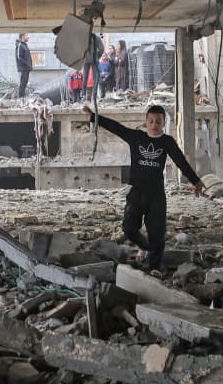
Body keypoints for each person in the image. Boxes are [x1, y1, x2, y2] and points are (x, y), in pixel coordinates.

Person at [83, 103, 204, 273]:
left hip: (156, 194)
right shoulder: (136, 137)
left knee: (157, 233)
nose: (155, 125)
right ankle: (147, 247)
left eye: (158, 122)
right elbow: (116, 128)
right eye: (152, 121)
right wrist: (94, 117)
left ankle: (154, 267)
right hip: (137, 192)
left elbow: (180, 161)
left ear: (163, 123)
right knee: (129, 229)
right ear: (146, 122)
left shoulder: (166, 142)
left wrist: (195, 181)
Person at [15, 33, 32, 98]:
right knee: (22, 83)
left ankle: (23, 98)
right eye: (27, 35)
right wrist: (27, 64)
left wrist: (29, 65)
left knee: (25, 83)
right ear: (22, 36)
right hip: (23, 68)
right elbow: (19, 57)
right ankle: (20, 98)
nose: (28, 37)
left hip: (26, 68)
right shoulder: (20, 45)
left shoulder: (25, 45)